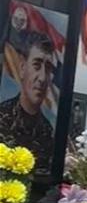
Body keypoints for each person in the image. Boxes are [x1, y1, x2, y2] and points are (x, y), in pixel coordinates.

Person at [0, 30, 56, 170]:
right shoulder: (2, 116)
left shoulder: (47, 130)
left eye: (48, 68)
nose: (42, 78)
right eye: (36, 65)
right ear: (22, 68)